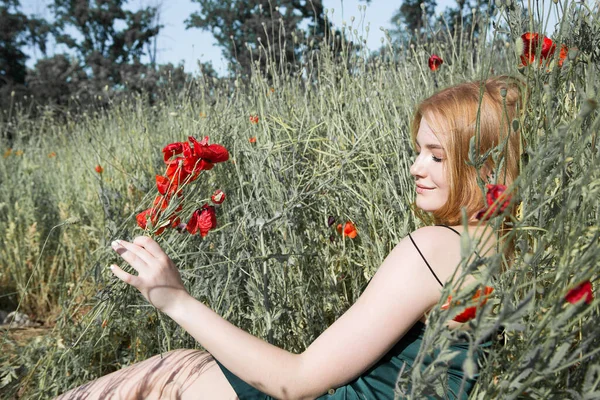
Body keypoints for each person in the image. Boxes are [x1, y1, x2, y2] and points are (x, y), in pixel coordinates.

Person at [56, 75, 524, 400]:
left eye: (436, 157)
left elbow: (297, 381)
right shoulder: (503, 246)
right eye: (417, 151)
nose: (415, 167)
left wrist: (175, 299)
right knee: (178, 367)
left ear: (483, 163)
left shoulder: (436, 249)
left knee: (163, 377)